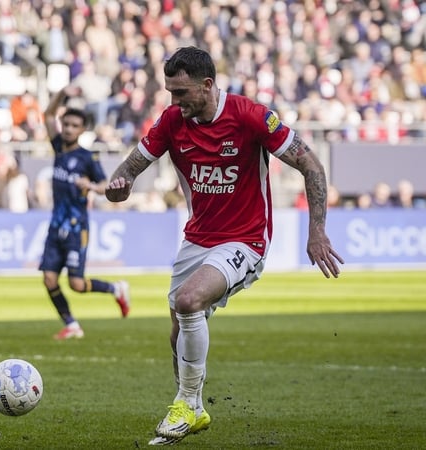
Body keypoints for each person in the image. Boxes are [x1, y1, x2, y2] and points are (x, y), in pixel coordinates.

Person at [104, 47, 344, 446]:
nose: (174, 103)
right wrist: (119, 186)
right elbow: (128, 169)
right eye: (169, 93)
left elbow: (311, 164)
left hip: (245, 238)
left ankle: (185, 403)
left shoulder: (250, 116)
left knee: (189, 301)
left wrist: (316, 230)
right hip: (197, 237)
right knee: (176, 333)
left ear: (208, 85)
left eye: (181, 93)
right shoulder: (171, 121)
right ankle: (195, 410)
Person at [40, 84, 130, 340]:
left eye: (73, 126)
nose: (67, 129)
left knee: (77, 285)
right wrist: (62, 94)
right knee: (49, 279)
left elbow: (105, 186)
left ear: (82, 130)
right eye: (65, 124)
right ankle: (71, 324)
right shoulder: (58, 147)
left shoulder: (88, 158)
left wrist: (89, 185)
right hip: (56, 226)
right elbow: (48, 115)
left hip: (77, 226)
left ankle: (116, 289)